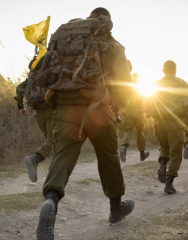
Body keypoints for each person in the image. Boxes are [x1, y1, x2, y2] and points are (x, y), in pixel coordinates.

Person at [35, 8, 135, 239]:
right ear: (107, 23)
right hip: (99, 110)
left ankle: (51, 199)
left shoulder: (65, 39)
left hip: (65, 110)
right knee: (108, 158)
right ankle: (115, 209)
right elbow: (125, 84)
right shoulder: (112, 45)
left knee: (62, 157)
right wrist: (118, 104)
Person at [150, 60, 188, 194]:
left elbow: (148, 102)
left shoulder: (156, 84)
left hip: (158, 121)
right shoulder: (182, 84)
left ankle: (163, 164)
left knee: (164, 145)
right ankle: (169, 183)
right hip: (174, 121)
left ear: (163, 70)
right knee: (175, 151)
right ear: (175, 70)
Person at [15, 57, 55, 183]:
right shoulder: (51, 73)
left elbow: (18, 89)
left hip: (39, 114)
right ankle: (35, 159)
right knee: (53, 141)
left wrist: (21, 107)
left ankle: (56, 174)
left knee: (53, 143)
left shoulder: (31, 78)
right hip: (52, 111)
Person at [120, 62, 150, 162]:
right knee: (140, 133)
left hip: (126, 111)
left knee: (128, 131)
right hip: (138, 111)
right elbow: (143, 98)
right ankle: (142, 154)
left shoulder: (124, 84)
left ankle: (124, 147)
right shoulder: (139, 86)